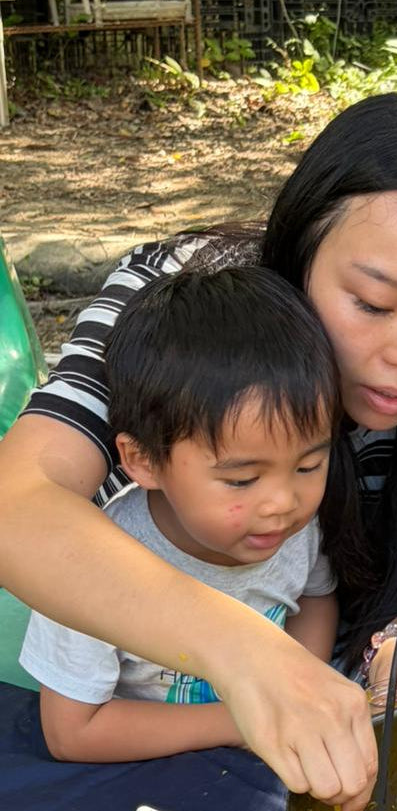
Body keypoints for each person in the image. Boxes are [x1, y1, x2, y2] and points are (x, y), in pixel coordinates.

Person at [0, 94, 397, 811]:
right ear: (297, 255)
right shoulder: (175, 308)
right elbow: (19, 503)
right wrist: (248, 655)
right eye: (372, 305)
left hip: (325, 604)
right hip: (154, 609)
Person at [20, 265, 343, 761]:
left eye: (309, 465)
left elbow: (317, 599)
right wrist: (245, 718)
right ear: (144, 460)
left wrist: (303, 682)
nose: (284, 502)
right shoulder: (89, 568)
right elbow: (73, 733)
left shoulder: (294, 529)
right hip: (136, 783)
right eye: (241, 479)